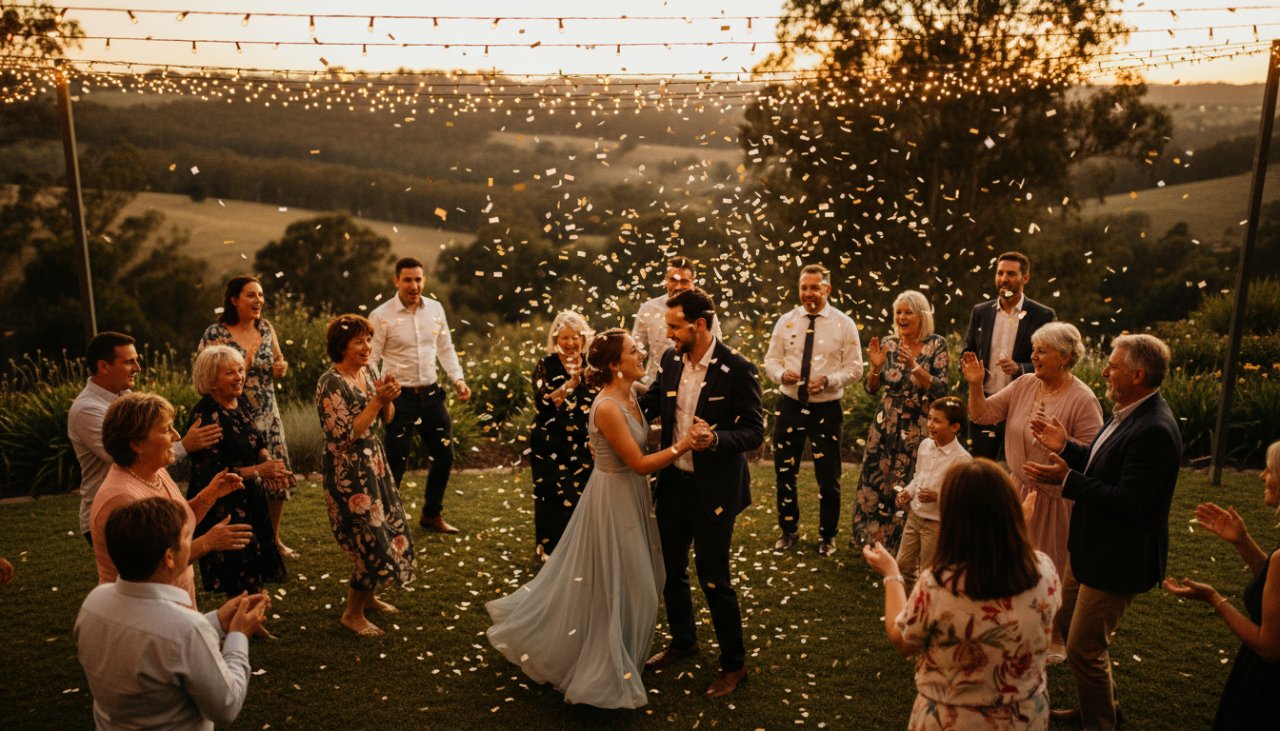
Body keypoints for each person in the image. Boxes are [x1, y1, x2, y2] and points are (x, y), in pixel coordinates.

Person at [487, 329, 699, 708]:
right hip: (613, 497)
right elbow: (637, 464)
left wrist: (673, 433)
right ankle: (605, 661)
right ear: (615, 365)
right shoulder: (605, 407)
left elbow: (639, 443)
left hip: (628, 497)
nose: (641, 354)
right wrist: (683, 445)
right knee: (619, 579)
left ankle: (623, 653)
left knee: (640, 578)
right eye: (634, 351)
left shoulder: (630, 394)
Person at [1024, 333, 1182, 730]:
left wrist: (1067, 482)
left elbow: (1131, 500)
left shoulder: (1155, 429)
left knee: (1083, 647)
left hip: (1117, 557)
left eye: (1114, 366)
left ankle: (1100, 723)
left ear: (1138, 374)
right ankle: (1096, 705)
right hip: (1089, 549)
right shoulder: (1125, 412)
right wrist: (1068, 449)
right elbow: (1099, 464)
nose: (1106, 370)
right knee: (1066, 625)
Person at [864, 459, 1061, 729]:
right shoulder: (1045, 571)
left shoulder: (938, 585)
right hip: (1025, 718)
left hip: (952, 721)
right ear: (1010, 511)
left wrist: (891, 574)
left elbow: (903, 641)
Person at [639, 287, 764, 699]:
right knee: (672, 570)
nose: (669, 334)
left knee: (714, 577)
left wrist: (715, 440)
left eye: (675, 327)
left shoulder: (738, 368)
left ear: (699, 325)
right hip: (673, 481)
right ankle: (684, 640)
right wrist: (616, 405)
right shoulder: (671, 358)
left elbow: (754, 432)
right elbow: (656, 402)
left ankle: (734, 664)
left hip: (714, 488)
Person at [76, 497, 269, 730]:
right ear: (169, 557)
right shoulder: (186, 629)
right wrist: (238, 635)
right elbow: (226, 706)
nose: (191, 543)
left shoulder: (94, 602)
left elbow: (154, 639)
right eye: (186, 537)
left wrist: (217, 621)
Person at [961, 322, 1102, 584]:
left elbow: (1095, 456)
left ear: (1065, 357)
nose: (1033, 357)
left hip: (1054, 502)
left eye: (1042, 351)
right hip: (1016, 492)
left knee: (1043, 577)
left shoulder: (1083, 399)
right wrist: (976, 385)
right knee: (1006, 571)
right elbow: (981, 415)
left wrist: (1062, 444)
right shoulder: (1024, 383)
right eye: (1033, 350)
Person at [90, 392, 252, 608]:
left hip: (174, 597)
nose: (177, 436)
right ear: (137, 444)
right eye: (166, 430)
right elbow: (155, 566)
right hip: (147, 609)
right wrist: (208, 542)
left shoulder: (153, 471)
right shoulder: (123, 499)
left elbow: (176, 524)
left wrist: (209, 494)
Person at [1164, 439, 1280, 729]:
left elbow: (1269, 646)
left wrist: (1213, 598)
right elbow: (1274, 586)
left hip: (1266, 687)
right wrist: (1243, 542)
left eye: (1269, 470)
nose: (1262, 476)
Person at [70, 331, 220, 545]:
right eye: (129, 362)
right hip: (116, 513)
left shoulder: (125, 396)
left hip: (145, 501)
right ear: (103, 366)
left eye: (137, 361)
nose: (138, 368)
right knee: (149, 569)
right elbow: (125, 455)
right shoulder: (86, 410)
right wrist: (184, 445)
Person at [317, 314, 416, 637]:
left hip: (374, 464)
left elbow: (386, 418)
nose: (367, 347)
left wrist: (387, 398)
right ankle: (352, 613)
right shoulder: (330, 382)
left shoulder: (368, 371)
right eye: (359, 341)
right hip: (348, 472)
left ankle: (369, 597)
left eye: (368, 340)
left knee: (385, 525)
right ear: (341, 346)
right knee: (368, 536)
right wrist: (377, 400)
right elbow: (343, 436)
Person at [764, 264, 863, 556]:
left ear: (826, 289)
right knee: (785, 471)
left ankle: (827, 535)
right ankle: (788, 530)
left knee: (828, 477)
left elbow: (856, 368)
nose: (808, 293)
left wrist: (830, 380)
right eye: (803, 287)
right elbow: (771, 361)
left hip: (827, 409)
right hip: (790, 405)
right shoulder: (786, 321)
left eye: (814, 287)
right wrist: (782, 375)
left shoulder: (844, 324)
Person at [369, 257, 470, 534]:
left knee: (445, 455)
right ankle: (389, 522)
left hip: (431, 394)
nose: (414, 285)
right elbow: (370, 359)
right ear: (396, 281)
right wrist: (378, 396)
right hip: (398, 399)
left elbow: (445, 348)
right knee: (395, 462)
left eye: (418, 279)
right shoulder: (381, 315)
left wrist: (458, 379)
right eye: (408, 280)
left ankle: (431, 514)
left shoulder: (435, 309)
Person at [200, 275, 298, 558]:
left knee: (276, 477)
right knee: (238, 477)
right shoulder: (215, 334)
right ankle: (241, 540)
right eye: (251, 295)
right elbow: (205, 374)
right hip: (233, 412)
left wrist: (280, 368)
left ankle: (274, 541)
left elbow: (279, 361)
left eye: (260, 295)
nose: (259, 301)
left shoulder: (266, 328)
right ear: (234, 299)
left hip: (268, 412)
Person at [851, 290, 950, 553]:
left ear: (922, 316)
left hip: (918, 423)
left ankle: (903, 544)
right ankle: (871, 538)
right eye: (898, 312)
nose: (902, 317)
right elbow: (871, 388)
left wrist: (916, 367)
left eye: (908, 312)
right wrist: (874, 368)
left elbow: (941, 389)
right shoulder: (889, 343)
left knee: (909, 479)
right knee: (877, 477)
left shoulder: (936, 344)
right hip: (886, 422)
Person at [186, 345, 288, 595]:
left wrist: (267, 459)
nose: (239, 377)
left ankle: (253, 616)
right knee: (240, 562)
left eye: (241, 370)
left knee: (256, 557)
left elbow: (255, 439)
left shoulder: (237, 401)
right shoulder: (206, 415)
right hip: (223, 502)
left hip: (249, 495)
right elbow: (215, 473)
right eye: (230, 373)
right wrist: (260, 471)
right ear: (211, 380)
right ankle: (243, 620)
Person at [962, 251, 1056, 460]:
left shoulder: (1043, 315)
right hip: (984, 403)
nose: (1004, 279)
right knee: (980, 470)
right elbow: (968, 351)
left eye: (1011, 274)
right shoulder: (981, 312)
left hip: (1021, 406)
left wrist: (1020, 368)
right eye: (1000, 273)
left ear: (1025, 278)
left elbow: (1052, 362)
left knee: (1017, 471)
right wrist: (971, 371)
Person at [528, 310, 595, 559]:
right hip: (549, 440)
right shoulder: (546, 365)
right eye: (564, 337)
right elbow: (543, 404)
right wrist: (570, 384)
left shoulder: (592, 364)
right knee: (550, 496)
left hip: (583, 442)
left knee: (581, 497)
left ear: (583, 338)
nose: (570, 343)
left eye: (575, 337)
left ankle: (577, 551)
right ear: (555, 338)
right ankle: (548, 550)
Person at [893, 396, 971, 589]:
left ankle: (925, 610)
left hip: (936, 523)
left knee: (929, 572)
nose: (930, 425)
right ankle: (910, 605)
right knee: (902, 565)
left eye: (937, 421)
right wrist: (908, 492)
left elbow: (963, 499)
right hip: (915, 517)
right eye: (929, 418)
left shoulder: (962, 459)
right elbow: (919, 476)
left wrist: (938, 497)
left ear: (954, 427)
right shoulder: (925, 446)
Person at [631, 255, 722, 393]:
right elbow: (635, 351)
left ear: (693, 283)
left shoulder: (705, 312)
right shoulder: (648, 309)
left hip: (694, 388)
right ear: (666, 281)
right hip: (654, 386)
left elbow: (716, 353)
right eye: (673, 280)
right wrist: (643, 381)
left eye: (684, 281)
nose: (678, 286)